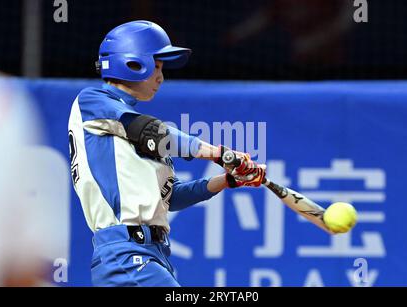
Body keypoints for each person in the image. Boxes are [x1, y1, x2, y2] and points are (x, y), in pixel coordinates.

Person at [68, 20, 266, 287]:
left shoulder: (128, 133)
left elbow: (170, 197)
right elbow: (155, 134)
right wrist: (222, 154)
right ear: (132, 63)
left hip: (152, 255)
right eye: (157, 66)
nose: (161, 77)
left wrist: (227, 180)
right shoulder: (93, 101)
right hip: (125, 254)